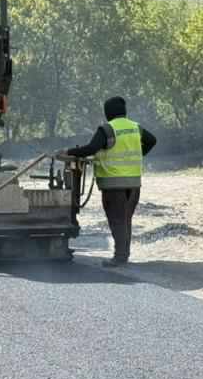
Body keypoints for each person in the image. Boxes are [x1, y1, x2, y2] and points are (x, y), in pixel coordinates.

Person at [64, 96, 157, 267]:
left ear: (108, 112)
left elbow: (91, 148)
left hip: (114, 184)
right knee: (126, 219)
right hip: (134, 183)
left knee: (117, 219)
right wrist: (139, 154)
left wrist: (68, 152)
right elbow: (152, 140)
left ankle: (120, 257)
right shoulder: (135, 127)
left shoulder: (107, 130)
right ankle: (124, 254)